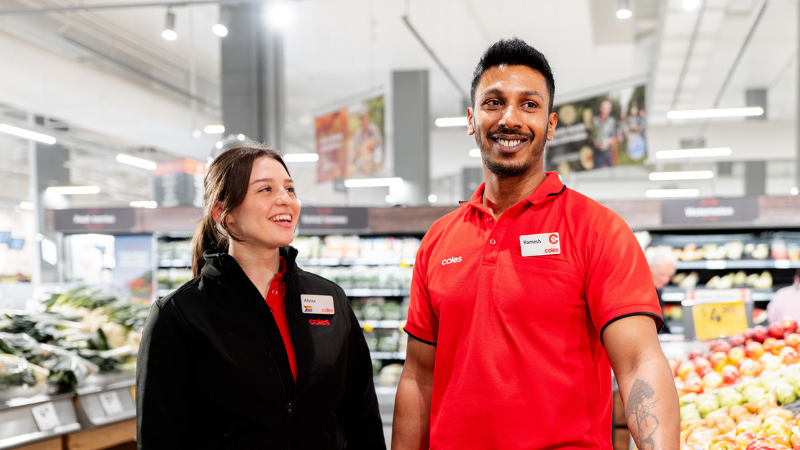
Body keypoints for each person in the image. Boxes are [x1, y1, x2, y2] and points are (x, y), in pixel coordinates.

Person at [392, 38, 679, 450]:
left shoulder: (598, 230)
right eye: (494, 102)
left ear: (551, 123)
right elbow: (419, 377)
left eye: (529, 104)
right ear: (472, 119)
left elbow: (638, 364)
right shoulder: (439, 240)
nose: (510, 118)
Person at [136, 144, 385, 449]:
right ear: (223, 212)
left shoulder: (330, 299)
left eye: (290, 189)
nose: (285, 199)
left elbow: (363, 419)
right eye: (265, 189)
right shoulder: (180, 315)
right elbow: (159, 438)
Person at [647, 245, 678, 334]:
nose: (666, 280)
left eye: (670, 275)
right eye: (662, 274)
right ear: (650, 267)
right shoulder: (641, 291)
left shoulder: (657, 287)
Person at [593, 98, 619, 168]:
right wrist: (595, 142)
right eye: (604, 108)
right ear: (600, 108)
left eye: (607, 109)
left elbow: (614, 139)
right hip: (597, 155)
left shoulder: (611, 122)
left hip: (608, 155)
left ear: (610, 110)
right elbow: (591, 137)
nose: (605, 111)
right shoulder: (594, 121)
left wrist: (607, 142)